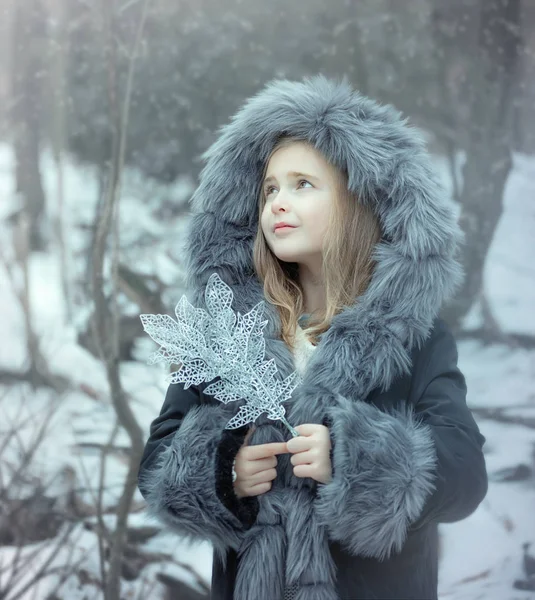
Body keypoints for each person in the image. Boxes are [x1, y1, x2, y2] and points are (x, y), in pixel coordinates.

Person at [137, 75, 488, 600]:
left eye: (303, 184)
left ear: (358, 203)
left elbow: (464, 472)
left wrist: (356, 459)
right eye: (270, 188)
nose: (279, 201)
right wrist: (224, 470)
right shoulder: (229, 332)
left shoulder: (412, 337)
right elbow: (158, 462)